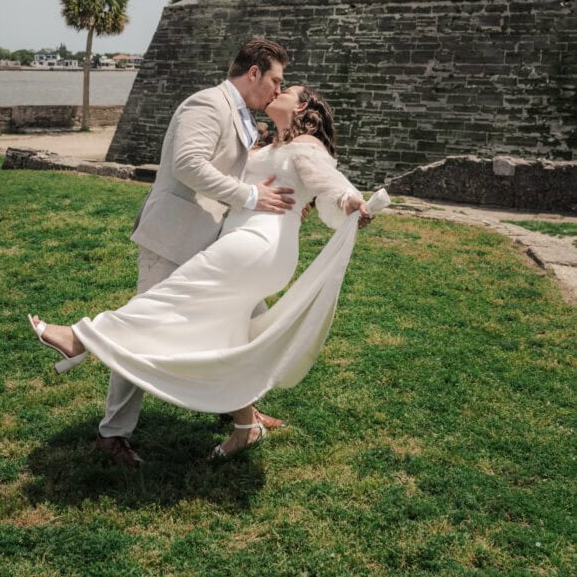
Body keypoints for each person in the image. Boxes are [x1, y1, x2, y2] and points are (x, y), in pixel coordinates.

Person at [30, 85, 389, 461]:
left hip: (254, 245)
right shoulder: (268, 143)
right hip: (246, 244)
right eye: (277, 82)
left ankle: (79, 338)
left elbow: (329, 182)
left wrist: (350, 202)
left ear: (301, 106)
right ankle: (245, 424)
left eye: (287, 88)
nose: (278, 90)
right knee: (230, 338)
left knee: (172, 299)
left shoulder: (305, 146)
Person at [83, 39, 295, 467]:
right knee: (141, 330)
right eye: (275, 80)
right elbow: (188, 165)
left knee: (249, 319)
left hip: (214, 243)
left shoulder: (240, 115)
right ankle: (113, 434)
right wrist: (250, 197)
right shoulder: (206, 104)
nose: (277, 90)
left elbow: (233, 164)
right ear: (253, 73)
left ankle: (241, 411)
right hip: (173, 237)